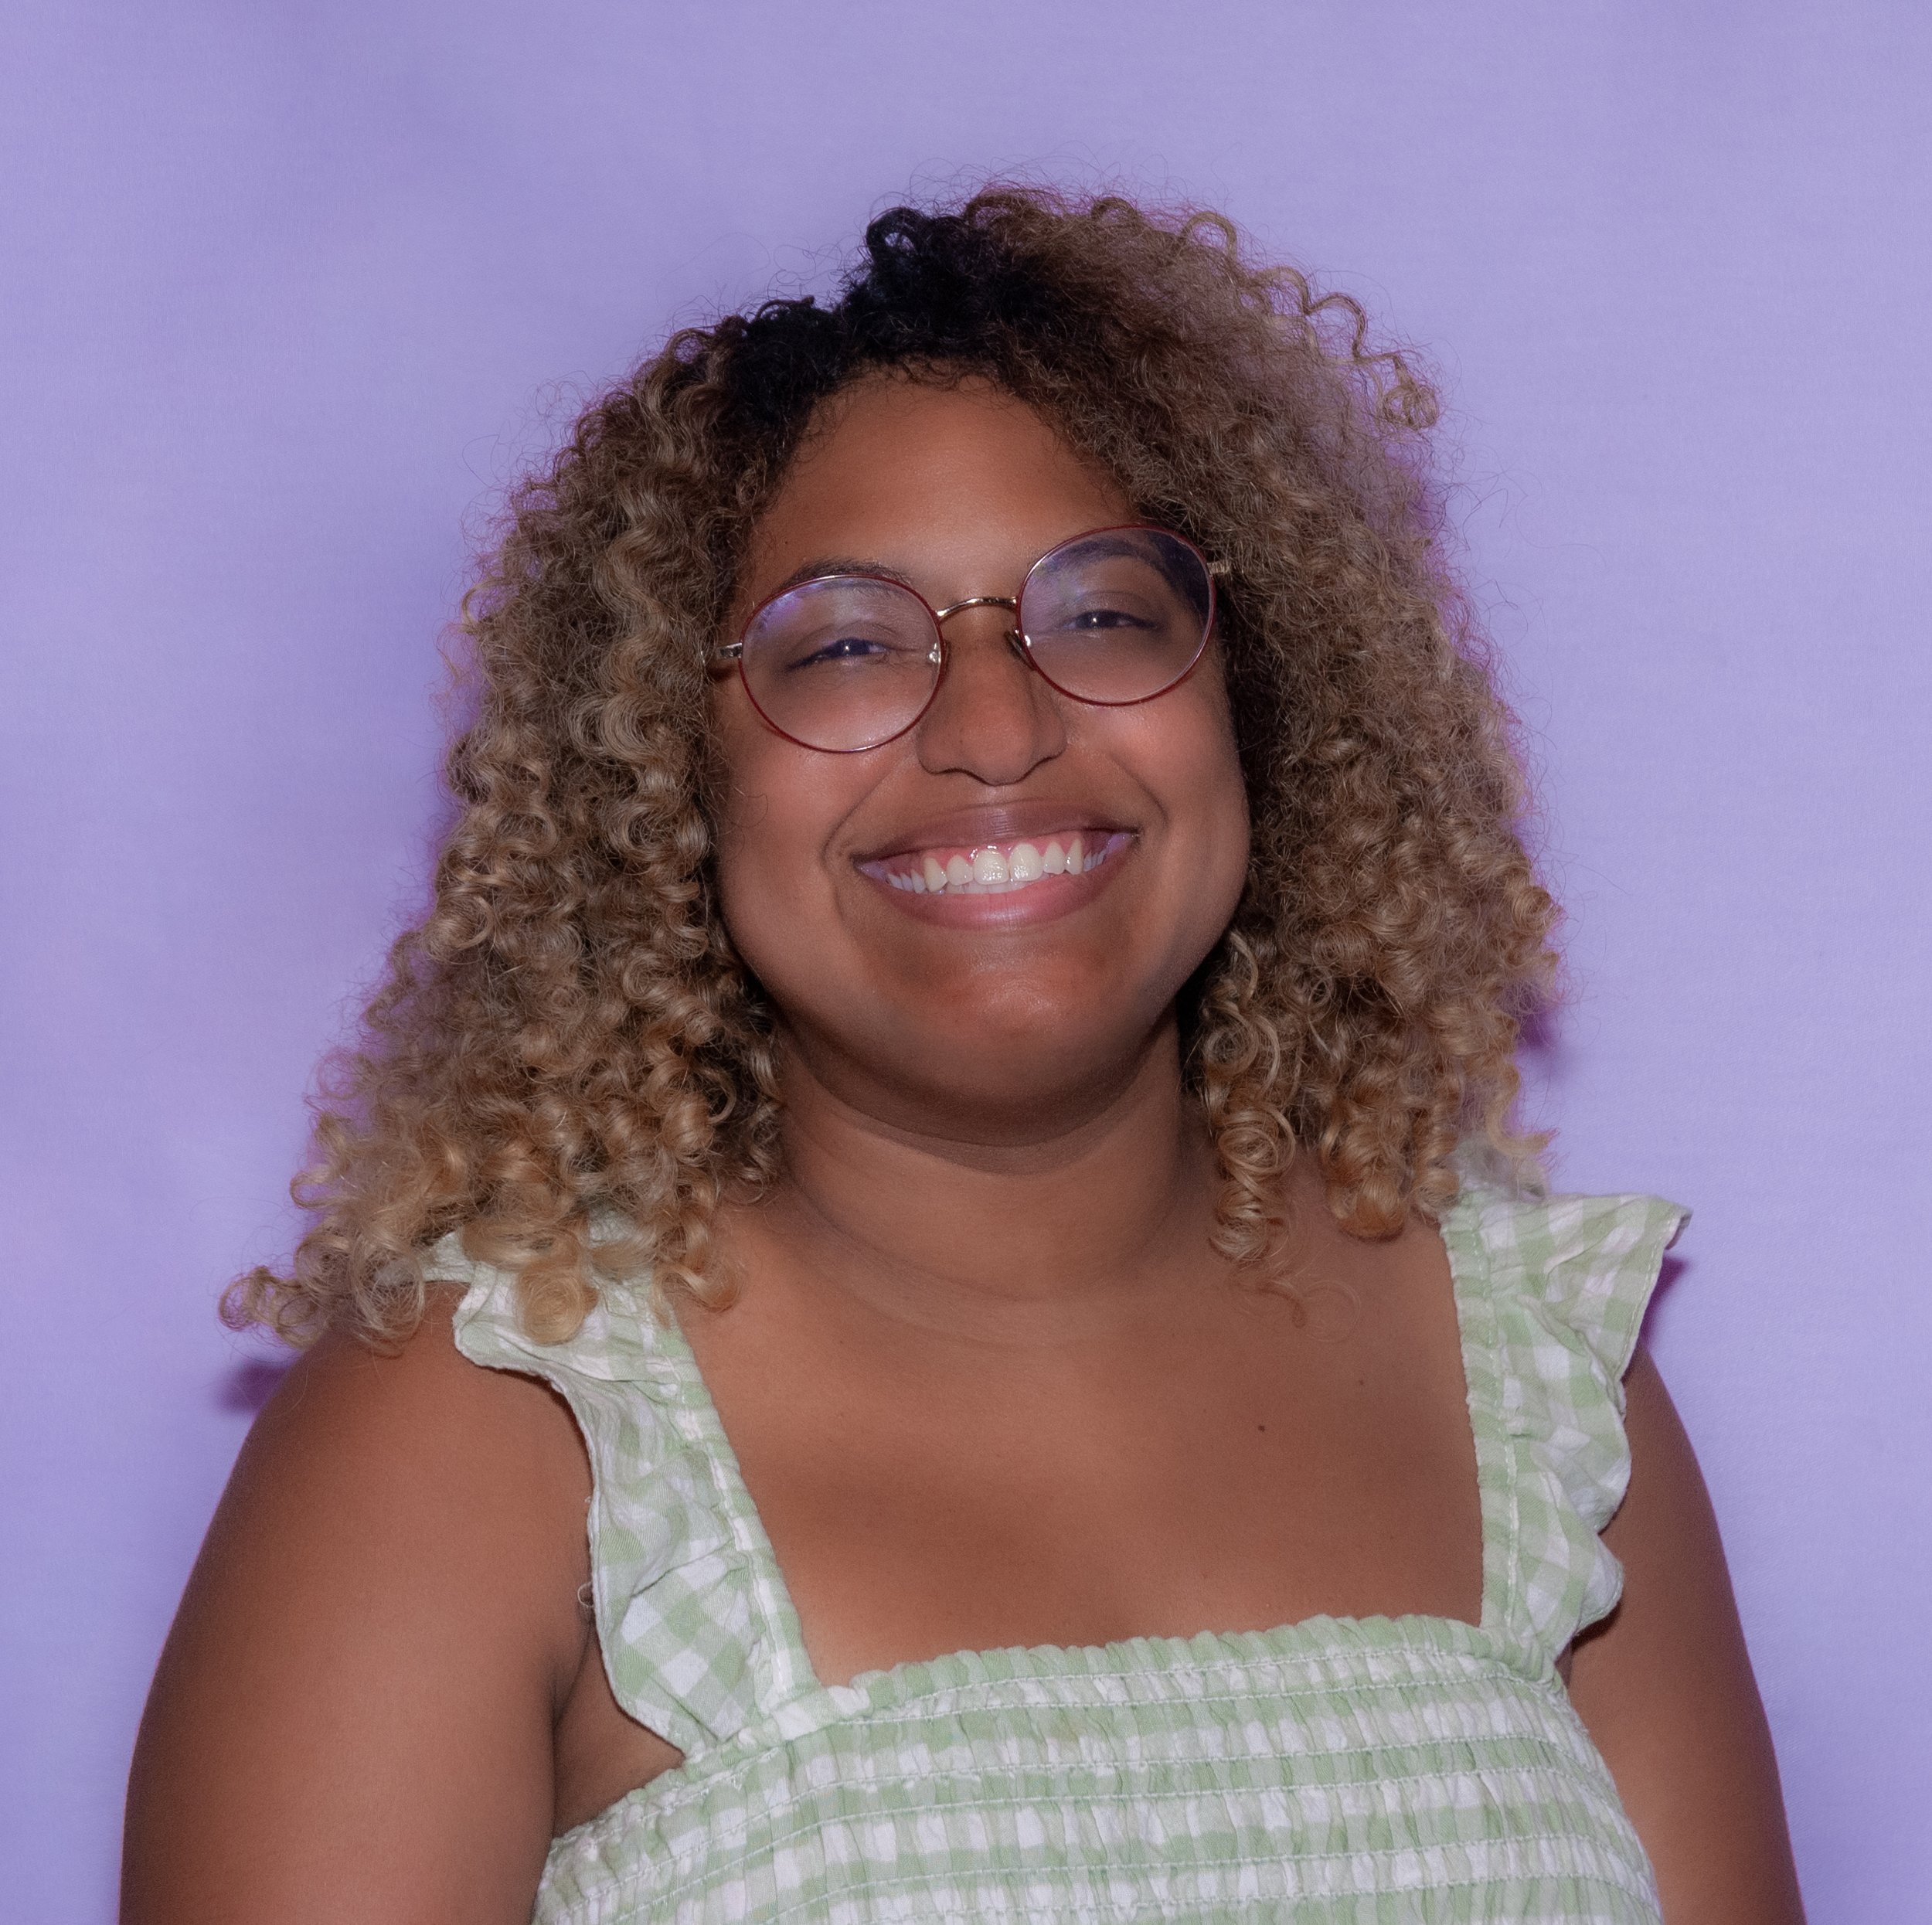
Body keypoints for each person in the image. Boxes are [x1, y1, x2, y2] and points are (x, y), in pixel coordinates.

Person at [121, 187, 1805, 1924]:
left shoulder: (1533, 1378)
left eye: (1101, 611)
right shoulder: (487, 1426)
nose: (997, 730)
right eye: (844, 644)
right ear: (668, 785)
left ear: (1257, 698)